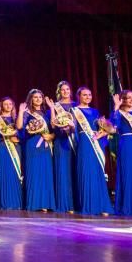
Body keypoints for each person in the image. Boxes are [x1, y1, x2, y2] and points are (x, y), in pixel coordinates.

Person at [72, 86, 111, 216]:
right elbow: (72, 129)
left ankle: (102, 205)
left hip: (96, 141)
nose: (88, 97)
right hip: (84, 141)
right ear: (79, 96)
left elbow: (105, 127)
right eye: (84, 95)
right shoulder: (74, 111)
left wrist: (103, 132)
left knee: (97, 171)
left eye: (89, 94)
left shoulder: (95, 111)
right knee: (86, 170)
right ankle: (89, 205)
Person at [19, 89, 54, 212]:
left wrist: (51, 136)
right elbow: (19, 126)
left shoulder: (47, 112)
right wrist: (20, 111)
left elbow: (53, 128)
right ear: (31, 99)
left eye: (40, 97)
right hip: (32, 145)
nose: (38, 99)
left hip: (45, 144)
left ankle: (45, 203)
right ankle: (33, 203)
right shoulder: (27, 112)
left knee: (45, 173)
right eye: (35, 97)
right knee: (33, 173)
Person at [50, 81, 77, 213]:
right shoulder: (55, 106)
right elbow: (53, 125)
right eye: (63, 90)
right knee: (63, 171)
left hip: (75, 142)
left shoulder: (76, 105)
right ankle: (65, 204)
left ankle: (77, 203)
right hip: (61, 142)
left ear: (70, 91)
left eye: (67, 89)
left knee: (75, 171)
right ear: (59, 92)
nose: (65, 91)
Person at [0, 97, 23, 210]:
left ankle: (16, 202)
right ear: (1, 106)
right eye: (5, 104)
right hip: (2, 148)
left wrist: (19, 138)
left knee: (15, 174)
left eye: (10, 104)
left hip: (16, 148)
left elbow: (23, 132)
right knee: (4, 174)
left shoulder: (17, 119)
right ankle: (5, 202)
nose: (8, 106)